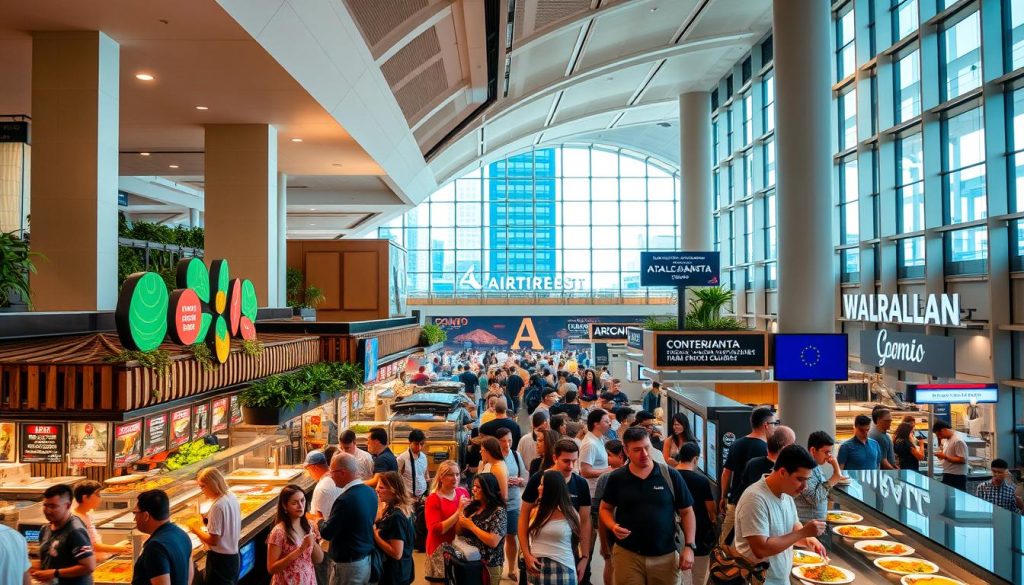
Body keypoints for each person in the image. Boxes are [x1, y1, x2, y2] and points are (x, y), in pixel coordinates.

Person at [600, 427, 696, 585]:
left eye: (647, 448)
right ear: (626, 451)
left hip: (665, 556)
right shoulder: (617, 478)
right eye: (637, 450)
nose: (644, 454)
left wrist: (689, 546)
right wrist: (612, 526)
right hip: (628, 555)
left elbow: (687, 512)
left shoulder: (670, 475)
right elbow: (605, 508)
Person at [734, 445, 827, 585]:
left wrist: (809, 540)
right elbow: (761, 549)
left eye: (807, 480)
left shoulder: (787, 495)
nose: (805, 486)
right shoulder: (754, 499)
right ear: (783, 472)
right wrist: (803, 533)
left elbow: (793, 529)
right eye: (800, 479)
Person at [520, 439, 592, 585]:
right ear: (555, 458)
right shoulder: (538, 480)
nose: (571, 466)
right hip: (536, 554)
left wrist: (585, 558)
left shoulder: (581, 484)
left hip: (567, 554)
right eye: (566, 461)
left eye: (574, 461)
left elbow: (585, 522)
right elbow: (523, 518)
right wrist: (526, 553)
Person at [319, 453, 379, 585]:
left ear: (342, 472)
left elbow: (327, 533)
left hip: (348, 566)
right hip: (366, 560)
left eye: (332, 472)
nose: (331, 476)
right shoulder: (370, 492)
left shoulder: (345, 500)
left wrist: (318, 520)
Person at [718, 406, 775, 545]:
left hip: (735, 501)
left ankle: (720, 566)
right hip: (755, 505)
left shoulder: (737, 444)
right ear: (766, 425)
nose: (775, 428)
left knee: (725, 542)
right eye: (774, 424)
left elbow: (726, 472)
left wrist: (723, 496)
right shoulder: (767, 450)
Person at [447, 473, 507, 585]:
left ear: (488, 489)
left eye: (478, 487)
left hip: (488, 565)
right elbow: (458, 532)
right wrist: (461, 513)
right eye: (474, 486)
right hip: (469, 562)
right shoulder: (473, 507)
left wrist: (471, 526)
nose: (474, 489)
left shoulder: (498, 511)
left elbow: (493, 541)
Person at [523, 471, 582, 585]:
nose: (539, 488)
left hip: (563, 567)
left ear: (552, 488)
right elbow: (525, 534)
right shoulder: (534, 511)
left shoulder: (570, 513)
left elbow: (577, 540)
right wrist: (527, 556)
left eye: (542, 485)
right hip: (535, 566)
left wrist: (583, 558)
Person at [29, 484, 95, 584]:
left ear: (67, 506)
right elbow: (51, 559)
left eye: (53, 506)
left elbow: (89, 567)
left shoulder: (75, 531)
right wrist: (33, 567)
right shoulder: (45, 529)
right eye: (45, 505)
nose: (47, 511)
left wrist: (55, 573)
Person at [190, 467, 241, 585]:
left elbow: (214, 540)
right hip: (233, 557)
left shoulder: (217, 506)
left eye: (203, 486)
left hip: (220, 561)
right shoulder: (231, 496)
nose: (202, 491)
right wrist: (208, 522)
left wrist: (194, 529)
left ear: (213, 484)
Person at [131, 489, 194, 585]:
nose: (134, 519)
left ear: (146, 515)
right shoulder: (182, 534)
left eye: (135, 513)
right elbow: (189, 576)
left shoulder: (155, 547)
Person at [675, 442, 716, 585]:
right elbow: (711, 510)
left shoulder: (670, 476)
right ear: (695, 459)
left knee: (677, 575)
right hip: (700, 534)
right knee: (698, 576)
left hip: (675, 534)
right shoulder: (701, 481)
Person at [423, 461, 470, 581]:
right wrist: (457, 512)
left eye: (457, 474)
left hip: (458, 547)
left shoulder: (463, 493)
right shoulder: (434, 499)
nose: (455, 478)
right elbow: (435, 529)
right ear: (441, 478)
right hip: (439, 549)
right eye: (450, 475)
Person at [268, 484, 323, 585]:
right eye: (294, 503)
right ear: (285, 506)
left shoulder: (310, 525)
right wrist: (300, 549)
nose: (300, 506)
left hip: (308, 580)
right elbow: (272, 568)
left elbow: (319, 559)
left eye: (302, 500)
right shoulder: (278, 532)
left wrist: (313, 542)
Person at [496, 427, 529, 581]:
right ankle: (496, 566)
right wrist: (502, 483)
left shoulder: (516, 455)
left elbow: (524, 475)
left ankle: (511, 568)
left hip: (514, 502)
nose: (507, 444)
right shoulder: (494, 457)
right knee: (496, 537)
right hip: (497, 503)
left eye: (509, 440)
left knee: (511, 536)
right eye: (503, 441)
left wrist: (520, 481)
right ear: (497, 442)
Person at [305, 449, 342, 585]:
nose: (308, 474)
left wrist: (306, 516)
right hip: (336, 539)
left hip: (325, 543)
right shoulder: (335, 479)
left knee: (323, 577)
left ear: (314, 467)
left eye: (308, 470)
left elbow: (318, 518)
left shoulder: (322, 487)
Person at [72, 480, 131, 562]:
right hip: (92, 562)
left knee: (127, 543)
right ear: (85, 498)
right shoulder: (77, 519)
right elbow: (92, 546)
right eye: (97, 495)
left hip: (99, 557)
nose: (100, 498)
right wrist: (119, 548)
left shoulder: (85, 515)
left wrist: (119, 547)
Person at [373, 472, 415, 585]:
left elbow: (397, 553)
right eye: (377, 487)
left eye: (381, 487)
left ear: (393, 491)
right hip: (402, 570)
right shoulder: (400, 509)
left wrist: (376, 536)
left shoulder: (396, 517)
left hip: (395, 575)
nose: (377, 490)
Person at [735, 426, 796, 503]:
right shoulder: (789, 470)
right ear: (784, 448)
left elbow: (741, 492)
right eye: (793, 444)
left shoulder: (752, 464)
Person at [593, 439, 625, 585]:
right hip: (611, 529)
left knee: (611, 564)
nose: (607, 459)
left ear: (621, 456)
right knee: (610, 563)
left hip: (612, 529)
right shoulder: (605, 477)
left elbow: (596, 509)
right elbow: (598, 510)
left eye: (609, 455)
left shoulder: (605, 478)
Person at [796, 431, 844, 524]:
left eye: (829, 452)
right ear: (813, 450)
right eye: (826, 452)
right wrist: (835, 475)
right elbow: (815, 498)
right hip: (807, 525)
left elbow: (820, 490)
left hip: (815, 523)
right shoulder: (805, 467)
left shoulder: (815, 466)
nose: (829, 456)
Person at [580, 409, 612, 497]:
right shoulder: (590, 443)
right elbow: (585, 472)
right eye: (606, 421)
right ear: (596, 424)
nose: (610, 424)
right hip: (593, 493)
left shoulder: (599, 439)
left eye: (609, 421)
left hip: (600, 489)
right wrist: (608, 470)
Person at [933, 419, 968, 490]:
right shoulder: (946, 441)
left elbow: (962, 460)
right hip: (948, 474)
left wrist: (945, 457)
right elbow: (948, 456)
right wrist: (941, 455)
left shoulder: (958, 441)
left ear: (943, 430)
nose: (939, 437)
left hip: (957, 477)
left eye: (939, 435)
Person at [397, 430, 430, 501]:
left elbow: (425, 475)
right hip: (408, 497)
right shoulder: (402, 458)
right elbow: (397, 479)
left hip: (422, 495)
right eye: (416, 444)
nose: (419, 447)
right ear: (409, 442)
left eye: (422, 444)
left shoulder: (424, 457)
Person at [478, 435, 510, 501]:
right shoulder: (491, 465)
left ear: (487, 452)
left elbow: (504, 496)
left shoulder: (498, 468)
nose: (480, 453)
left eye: (482, 451)